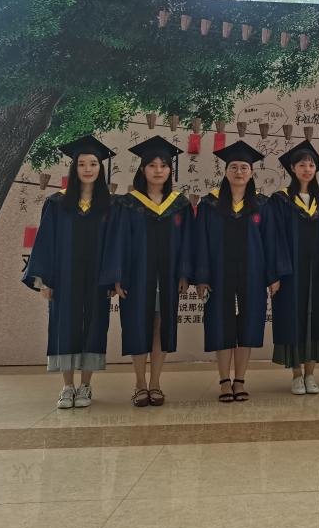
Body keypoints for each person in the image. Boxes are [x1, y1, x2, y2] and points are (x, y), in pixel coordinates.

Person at [23, 135, 115, 409]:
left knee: (94, 326)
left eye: (93, 164)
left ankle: (86, 384)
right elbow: (46, 243)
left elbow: (115, 245)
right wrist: (45, 281)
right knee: (64, 325)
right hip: (64, 277)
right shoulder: (57, 203)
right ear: (74, 168)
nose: (88, 169)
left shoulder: (110, 205)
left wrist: (113, 277)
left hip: (98, 278)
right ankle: (67, 386)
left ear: (101, 168)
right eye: (82, 164)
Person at [101, 135, 191, 408]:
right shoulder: (127, 204)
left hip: (168, 277)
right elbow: (117, 241)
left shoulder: (180, 204)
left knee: (161, 328)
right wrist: (117, 277)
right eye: (152, 165)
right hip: (136, 277)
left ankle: (156, 384)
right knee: (138, 326)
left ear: (170, 170)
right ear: (143, 169)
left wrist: (184, 274)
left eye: (163, 165)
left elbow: (188, 242)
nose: (158, 170)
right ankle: (140, 384)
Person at [193, 141, 284, 402]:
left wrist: (273, 276)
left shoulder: (262, 205)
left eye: (244, 167)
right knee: (220, 325)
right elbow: (201, 242)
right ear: (225, 171)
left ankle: (240, 380)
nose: (239, 172)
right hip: (218, 274)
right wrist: (201, 277)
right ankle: (224, 381)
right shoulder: (210, 205)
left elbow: (270, 242)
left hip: (253, 274)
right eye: (234, 167)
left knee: (248, 324)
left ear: (252, 173)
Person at [268, 140, 319, 395]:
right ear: (292, 168)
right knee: (292, 317)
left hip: (318, 271)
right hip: (290, 271)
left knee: (316, 317)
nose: (307, 169)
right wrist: (276, 273)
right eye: (302, 165)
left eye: (311, 165)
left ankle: (311, 374)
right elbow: (275, 238)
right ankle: (296, 374)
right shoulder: (280, 200)